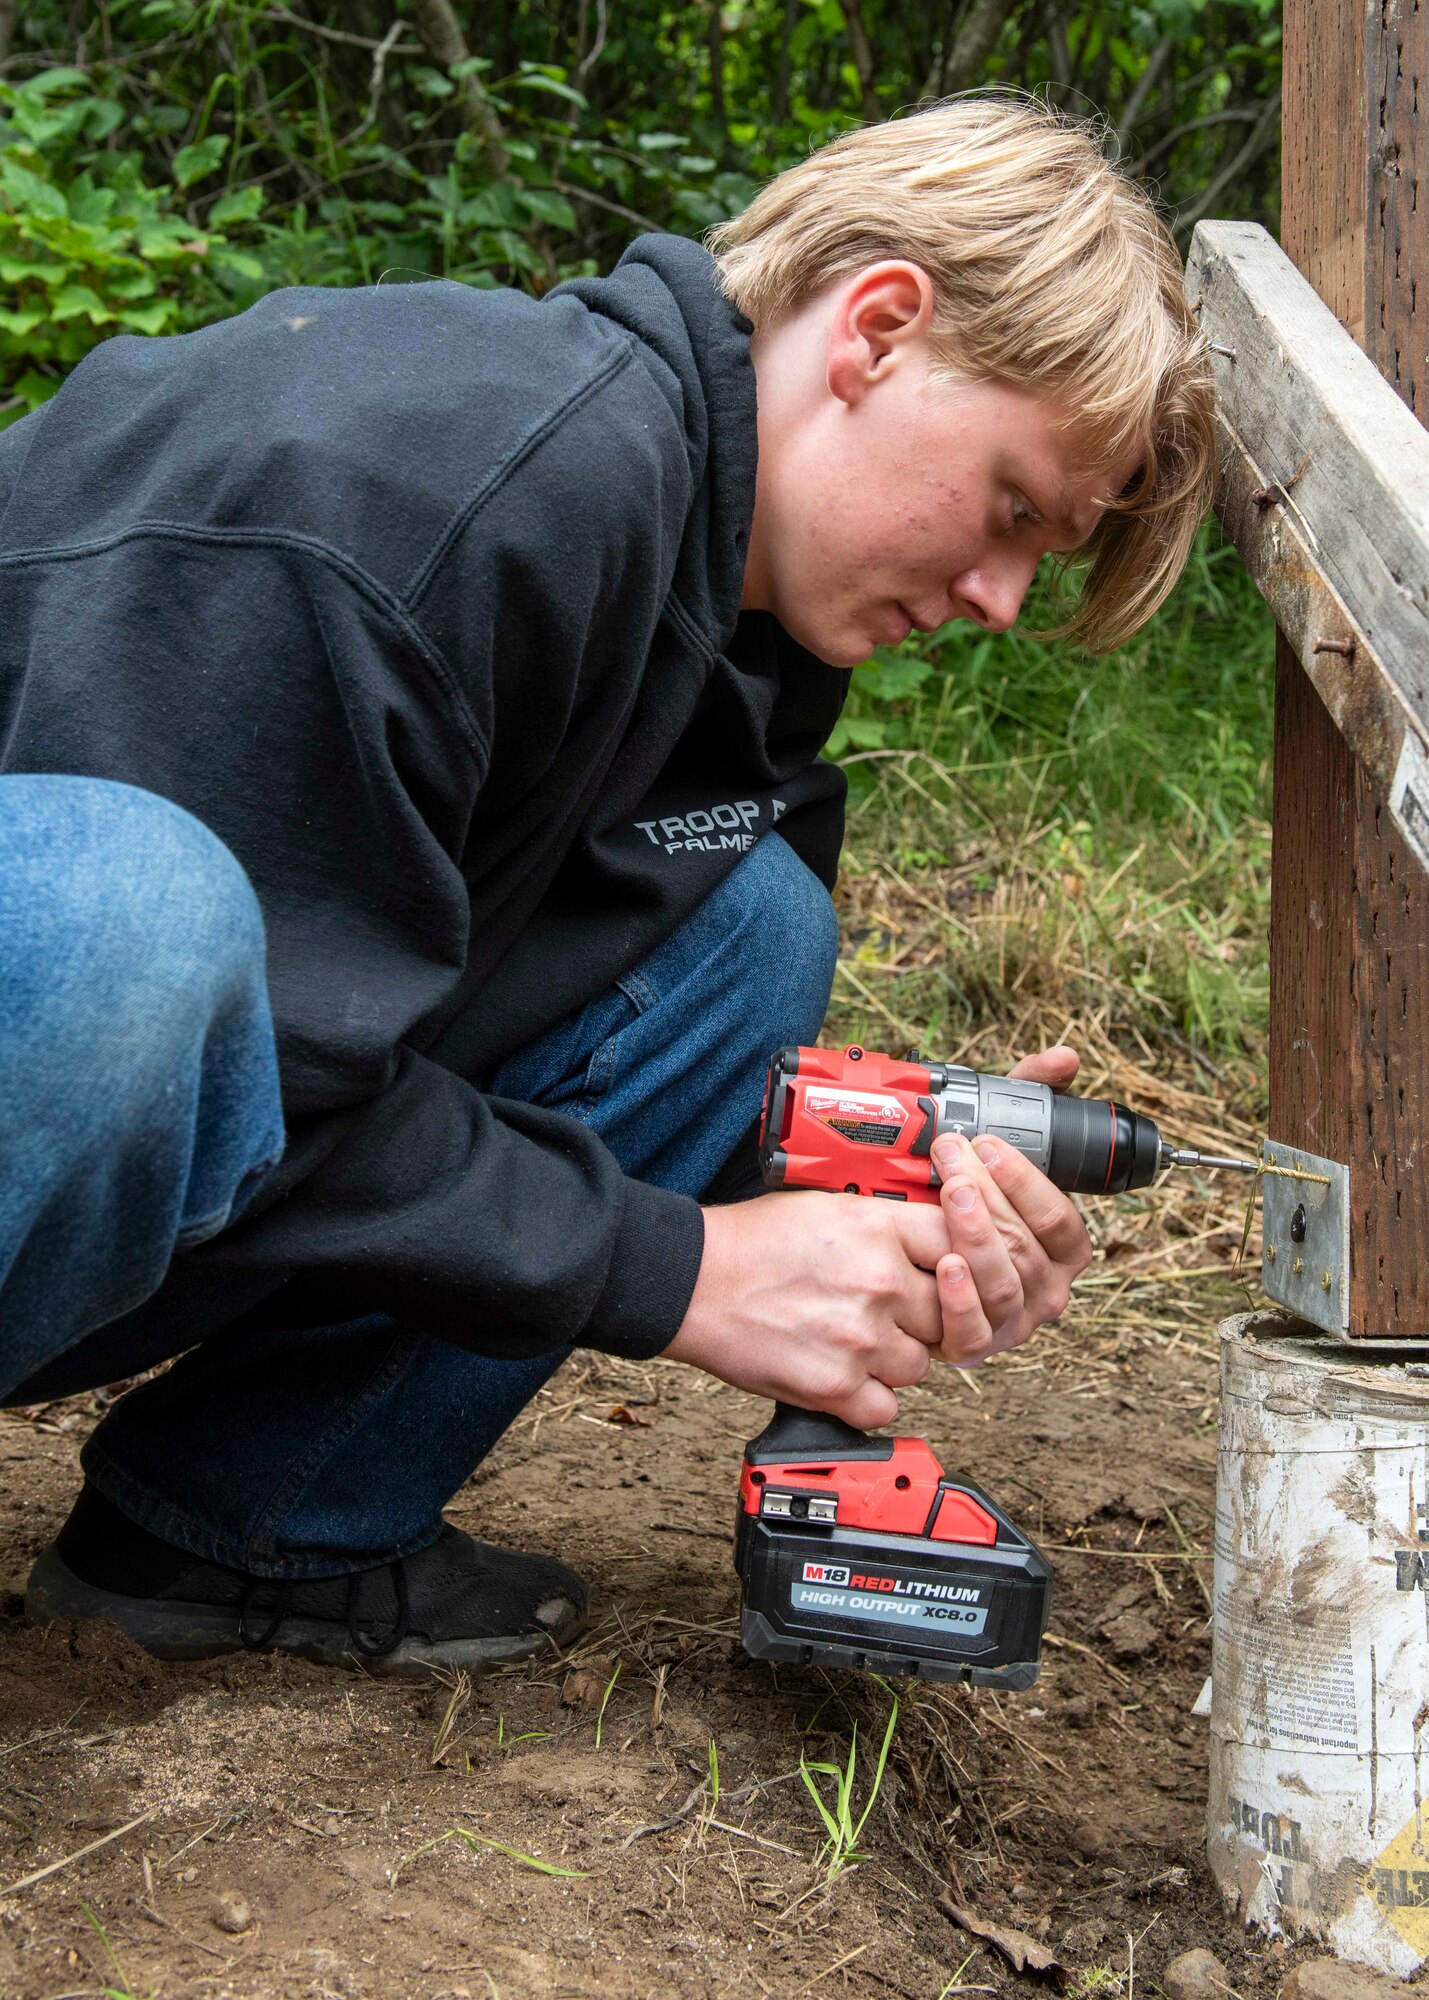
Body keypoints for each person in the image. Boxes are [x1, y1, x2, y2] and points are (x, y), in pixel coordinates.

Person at [0, 96, 1215, 1674]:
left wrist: (867, 1197)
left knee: (746, 918)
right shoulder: (462, 475)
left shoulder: (726, 617)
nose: (997, 598)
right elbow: (232, 1028)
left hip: (94, 1178)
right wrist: (683, 1268)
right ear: (879, 329)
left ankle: (244, 1533)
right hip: (68, 1037)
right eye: (1009, 512)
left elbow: (403, 1020)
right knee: (134, 913)